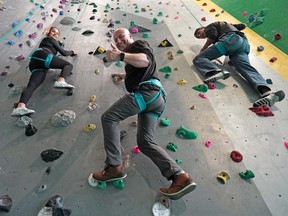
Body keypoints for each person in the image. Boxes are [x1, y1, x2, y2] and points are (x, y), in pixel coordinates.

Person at [90, 28, 196, 199]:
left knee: (109, 117)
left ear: (130, 37)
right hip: (156, 100)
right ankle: (181, 177)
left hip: (148, 92)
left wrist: (120, 56)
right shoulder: (131, 57)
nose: (118, 41)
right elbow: (142, 68)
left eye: (121, 36)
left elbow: (145, 61)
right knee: (145, 142)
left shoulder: (138, 46)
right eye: (115, 39)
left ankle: (114, 167)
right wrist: (125, 75)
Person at [193, 21, 285, 107]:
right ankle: (267, 93)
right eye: (200, 37)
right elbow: (242, 26)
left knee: (199, 58)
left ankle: (215, 72)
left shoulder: (209, 27)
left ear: (202, 27)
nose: (200, 35)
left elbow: (213, 35)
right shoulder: (226, 25)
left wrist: (203, 49)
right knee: (245, 68)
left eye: (199, 33)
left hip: (230, 40)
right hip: (243, 45)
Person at [11, 26, 77, 116]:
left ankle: (20, 107)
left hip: (35, 63)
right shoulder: (49, 39)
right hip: (43, 56)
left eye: (57, 34)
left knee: (32, 86)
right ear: (49, 32)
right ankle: (61, 81)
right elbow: (64, 53)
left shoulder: (48, 42)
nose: (55, 34)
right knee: (68, 65)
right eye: (53, 31)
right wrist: (72, 52)